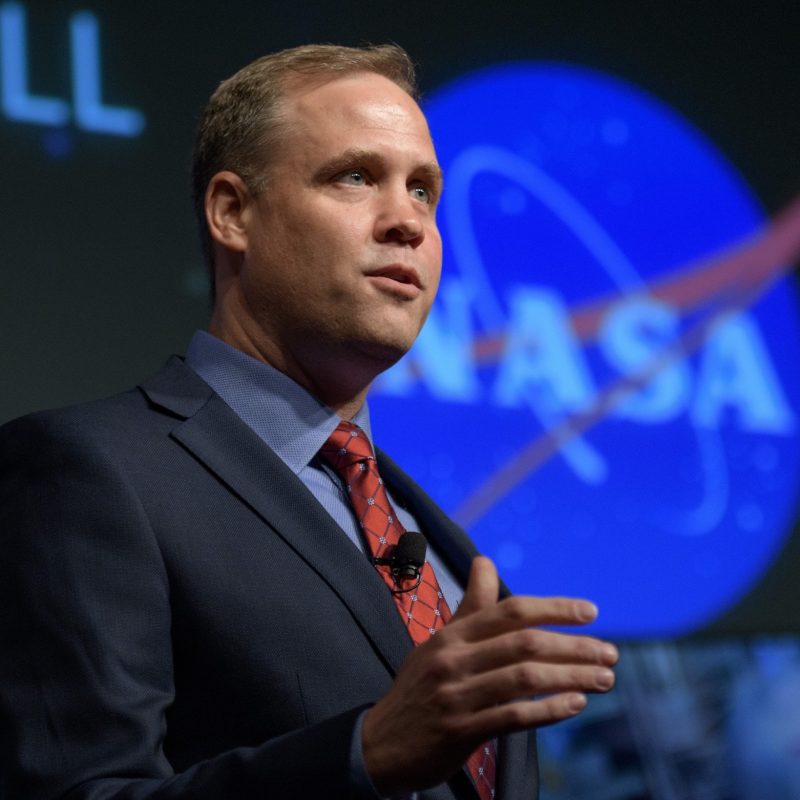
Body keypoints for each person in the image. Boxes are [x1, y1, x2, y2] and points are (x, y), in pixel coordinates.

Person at [0, 44, 618, 799]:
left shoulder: (434, 537)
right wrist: (363, 754)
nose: (408, 224)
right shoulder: (88, 472)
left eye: (424, 191)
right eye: (355, 177)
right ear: (232, 212)